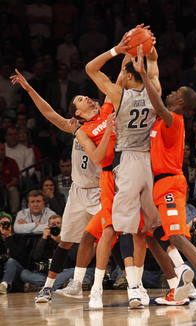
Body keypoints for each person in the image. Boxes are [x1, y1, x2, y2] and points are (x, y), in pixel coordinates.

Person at [133, 43, 196, 308]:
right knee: (152, 234)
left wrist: (142, 73)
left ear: (180, 102)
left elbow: (156, 97)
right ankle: (178, 288)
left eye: (175, 91)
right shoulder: (159, 121)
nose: (171, 93)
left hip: (170, 183)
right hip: (158, 185)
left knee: (176, 236)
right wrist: (151, 55)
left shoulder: (174, 120)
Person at [10, 69, 115, 305]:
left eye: (86, 97)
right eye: (79, 99)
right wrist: (28, 88)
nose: (87, 99)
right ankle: (47, 288)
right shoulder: (74, 127)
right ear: (77, 113)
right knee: (66, 241)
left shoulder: (106, 119)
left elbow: (110, 89)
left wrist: (123, 55)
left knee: (107, 238)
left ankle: (126, 280)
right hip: (78, 192)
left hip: (101, 189)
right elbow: (48, 112)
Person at [85, 28, 162, 309]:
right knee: (146, 228)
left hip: (126, 162)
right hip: (148, 162)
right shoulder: (155, 90)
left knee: (122, 229)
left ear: (127, 75)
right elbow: (153, 64)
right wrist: (148, 46)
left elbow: (90, 68)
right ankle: (144, 285)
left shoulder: (119, 95)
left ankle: (131, 287)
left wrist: (119, 48)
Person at [21, 214, 78, 292]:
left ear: (63, 224)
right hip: (46, 274)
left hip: (63, 272)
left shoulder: (69, 237)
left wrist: (61, 242)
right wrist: (44, 238)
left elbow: (74, 256)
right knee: (24, 273)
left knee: (73, 271)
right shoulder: (45, 238)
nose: (56, 226)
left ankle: (45, 287)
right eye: (53, 224)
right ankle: (55, 285)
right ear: (48, 226)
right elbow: (36, 257)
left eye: (58, 223)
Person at [0, 212, 28, 294]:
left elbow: (18, 256)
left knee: (11, 261)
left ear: (11, 226)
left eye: (7, 224)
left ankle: (4, 285)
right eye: (2, 224)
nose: (5, 226)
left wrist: (9, 237)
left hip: (18, 269)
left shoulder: (19, 238)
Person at [0, 141, 20, 217]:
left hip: (8, 186)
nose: (1, 152)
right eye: (0, 150)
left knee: (13, 190)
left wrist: (7, 186)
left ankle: (15, 215)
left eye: (3, 150)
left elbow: (15, 178)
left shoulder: (11, 162)